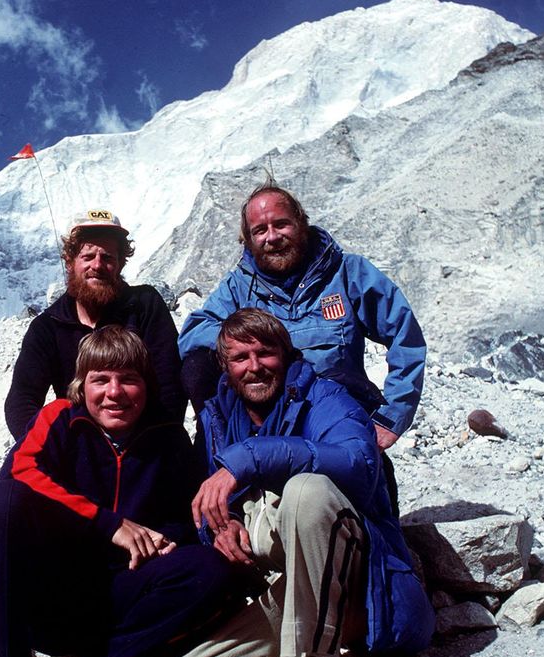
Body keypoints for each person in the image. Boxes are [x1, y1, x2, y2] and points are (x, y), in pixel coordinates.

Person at [149, 309, 434, 657]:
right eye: (241, 357)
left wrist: (250, 457)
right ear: (224, 367)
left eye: (266, 353)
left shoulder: (326, 398)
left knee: (307, 491)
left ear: (287, 355)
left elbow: (359, 463)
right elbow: (207, 503)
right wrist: (220, 530)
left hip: (354, 583)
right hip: (288, 590)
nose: (255, 365)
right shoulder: (217, 416)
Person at [0, 326, 239, 657]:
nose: (115, 392)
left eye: (128, 379)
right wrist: (108, 525)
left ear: (146, 386)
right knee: (1, 503)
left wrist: (163, 543)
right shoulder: (58, 418)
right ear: (81, 385)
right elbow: (21, 475)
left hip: (120, 598)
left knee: (211, 569)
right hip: (53, 591)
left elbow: (186, 518)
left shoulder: (167, 438)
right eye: (101, 380)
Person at [177, 184, 426, 508]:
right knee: (198, 363)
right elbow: (194, 332)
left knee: (360, 514)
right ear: (248, 240)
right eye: (260, 230)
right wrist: (252, 340)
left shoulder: (348, 273)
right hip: (267, 423)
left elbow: (404, 335)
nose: (272, 236)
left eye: (281, 224)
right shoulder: (239, 286)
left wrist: (391, 418)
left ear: (301, 222)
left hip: (335, 420)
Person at [4, 208, 185, 438]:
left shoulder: (145, 305)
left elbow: (170, 386)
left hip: (144, 442)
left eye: (108, 257)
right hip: (77, 446)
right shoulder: (47, 326)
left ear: (120, 264)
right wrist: (52, 447)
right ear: (70, 262)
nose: (97, 265)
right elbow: (22, 400)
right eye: (88, 256)